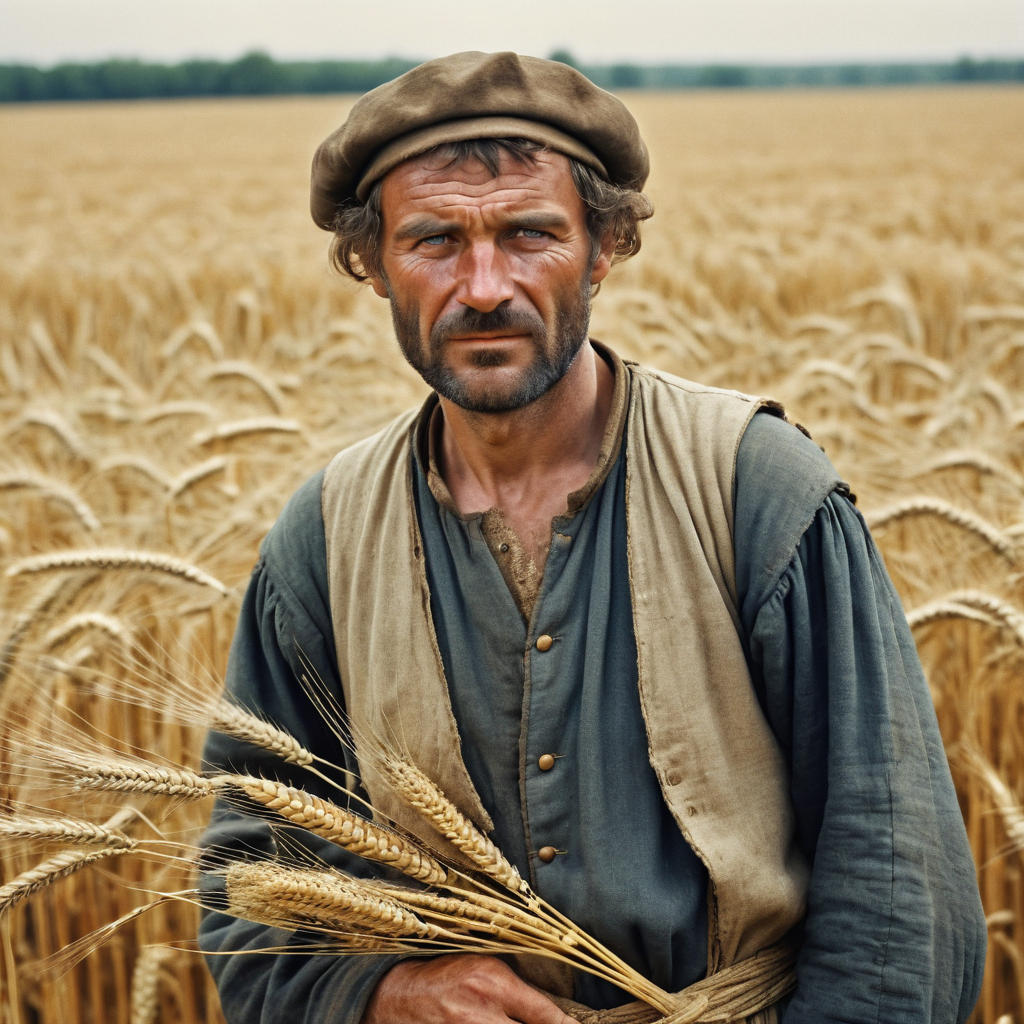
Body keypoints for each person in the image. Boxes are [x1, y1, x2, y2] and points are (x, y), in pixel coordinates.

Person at [199, 51, 986, 1024]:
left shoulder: (755, 489)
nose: (482, 285)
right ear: (373, 264)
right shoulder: (325, 537)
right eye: (434, 240)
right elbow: (249, 883)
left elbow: (896, 890)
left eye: (529, 234)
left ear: (603, 246)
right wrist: (382, 993)